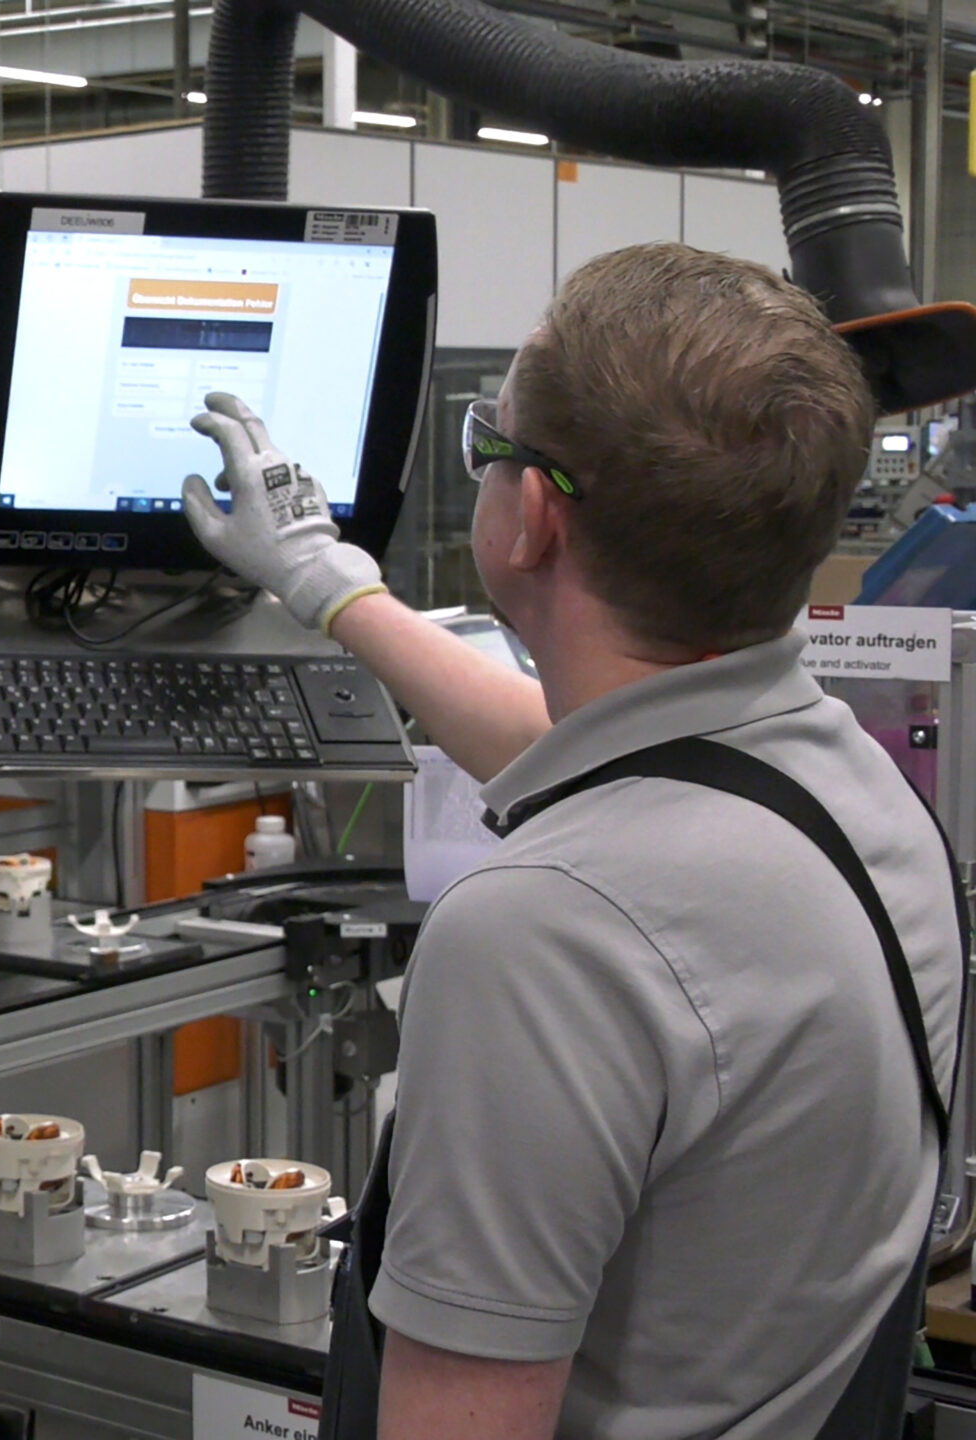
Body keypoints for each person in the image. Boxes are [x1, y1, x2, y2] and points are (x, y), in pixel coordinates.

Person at [180, 240, 965, 1439]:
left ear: (532, 517)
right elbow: (574, 743)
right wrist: (328, 583)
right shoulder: (862, 797)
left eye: (486, 443)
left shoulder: (542, 933)